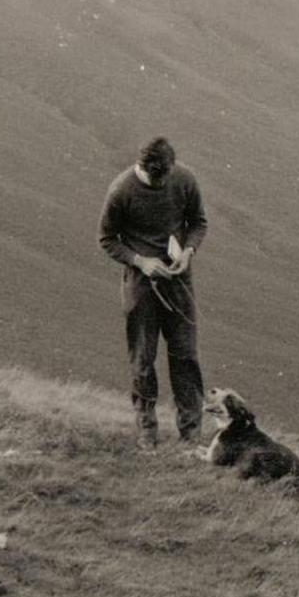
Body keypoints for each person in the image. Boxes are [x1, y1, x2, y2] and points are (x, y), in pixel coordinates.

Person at [98, 137, 208, 450]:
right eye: (154, 179)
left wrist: (188, 250)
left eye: (165, 178)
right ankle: (147, 429)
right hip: (141, 285)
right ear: (143, 167)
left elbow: (198, 222)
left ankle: (191, 434)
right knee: (143, 358)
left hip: (179, 281)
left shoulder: (184, 179)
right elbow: (106, 238)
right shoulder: (121, 190)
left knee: (185, 355)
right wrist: (140, 261)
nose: (160, 184)